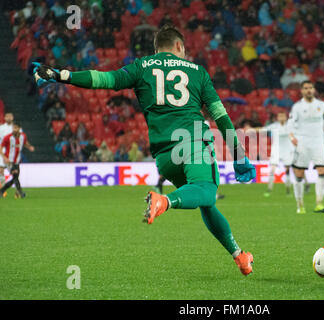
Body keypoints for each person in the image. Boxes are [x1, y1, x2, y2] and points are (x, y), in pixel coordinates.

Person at [33, 25, 256, 276]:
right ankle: (164, 201)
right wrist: (239, 156)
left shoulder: (141, 66)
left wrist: (62, 75)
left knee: (202, 201)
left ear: (156, 48)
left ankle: (239, 256)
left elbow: (104, 79)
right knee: (206, 192)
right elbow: (220, 116)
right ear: (179, 47)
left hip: (164, 155)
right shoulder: (198, 72)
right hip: (192, 142)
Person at [288, 81, 324, 214]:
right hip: (302, 143)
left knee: (322, 170)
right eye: (306, 88)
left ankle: (319, 203)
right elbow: (290, 124)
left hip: (318, 143)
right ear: (302, 91)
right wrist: (292, 137)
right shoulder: (297, 107)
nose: (308, 90)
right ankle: (300, 205)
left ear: (314, 90)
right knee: (298, 174)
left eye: (310, 88)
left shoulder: (321, 105)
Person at [0, 122, 35, 198]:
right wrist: (4, 158)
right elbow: (1, 147)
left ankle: (2, 190)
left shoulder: (23, 136)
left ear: (19, 128)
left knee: (15, 178)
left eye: (16, 128)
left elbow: (25, 143)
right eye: (13, 128)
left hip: (17, 161)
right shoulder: (8, 137)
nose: (14, 129)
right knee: (15, 174)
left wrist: (29, 147)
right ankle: (20, 192)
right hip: (9, 161)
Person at [0, 113, 14, 188]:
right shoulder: (1, 128)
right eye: (7, 116)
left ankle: (17, 189)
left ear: (13, 118)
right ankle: (2, 188)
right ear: (5, 118)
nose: (9, 118)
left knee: (14, 172)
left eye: (10, 116)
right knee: (1, 170)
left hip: (12, 152)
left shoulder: (16, 128)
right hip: (2, 151)